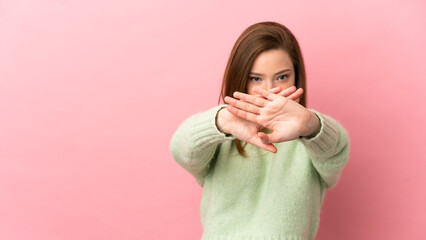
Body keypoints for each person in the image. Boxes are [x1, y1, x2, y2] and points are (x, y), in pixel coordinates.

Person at [169, 21, 349, 240]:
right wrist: (220, 121)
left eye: (282, 77)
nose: (269, 90)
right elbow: (181, 149)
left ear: (296, 76)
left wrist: (311, 126)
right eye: (256, 79)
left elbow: (337, 152)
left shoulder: (309, 137)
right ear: (240, 78)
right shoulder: (223, 132)